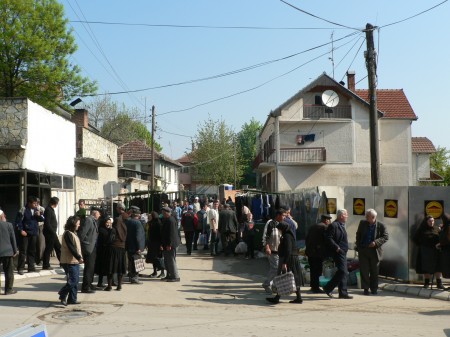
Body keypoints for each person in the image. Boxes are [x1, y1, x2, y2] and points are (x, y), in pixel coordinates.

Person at [266, 222, 303, 304]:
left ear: (282, 229)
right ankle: (298, 297)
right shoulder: (288, 235)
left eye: (279, 229)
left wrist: (285, 263)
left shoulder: (287, 236)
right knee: (291, 278)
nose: (279, 231)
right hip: (291, 258)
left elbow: (288, 250)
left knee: (284, 278)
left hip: (289, 259)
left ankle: (277, 298)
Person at [355, 208, 389, 295]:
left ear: (373, 217)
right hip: (364, 250)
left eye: (368, 216)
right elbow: (358, 235)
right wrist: (359, 246)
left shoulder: (381, 225)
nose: (366, 218)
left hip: (375, 251)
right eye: (366, 216)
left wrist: (376, 242)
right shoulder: (362, 223)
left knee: (374, 271)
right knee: (364, 270)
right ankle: (366, 288)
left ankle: (374, 288)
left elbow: (385, 237)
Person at [322, 209, 352, 299]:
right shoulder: (334, 225)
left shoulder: (341, 225)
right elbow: (328, 238)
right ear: (341, 216)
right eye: (346, 215)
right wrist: (337, 247)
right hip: (338, 252)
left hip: (343, 252)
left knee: (343, 272)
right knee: (343, 271)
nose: (347, 216)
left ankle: (343, 292)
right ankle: (328, 287)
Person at [412, 215, 444, 289]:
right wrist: (422, 245)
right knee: (426, 267)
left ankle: (439, 283)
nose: (431, 222)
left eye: (433, 221)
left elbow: (442, 238)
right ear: (426, 222)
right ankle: (426, 283)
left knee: (438, 267)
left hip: (436, 251)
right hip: (425, 252)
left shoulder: (436, 229)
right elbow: (415, 239)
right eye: (430, 221)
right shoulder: (421, 230)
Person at [58, 216, 83, 306]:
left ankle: (72, 299)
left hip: (74, 261)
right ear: (73, 223)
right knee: (74, 280)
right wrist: (79, 257)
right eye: (78, 223)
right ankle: (62, 293)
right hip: (69, 261)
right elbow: (71, 247)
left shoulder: (74, 233)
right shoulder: (68, 233)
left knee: (75, 281)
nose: (79, 225)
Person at [15, 196, 44, 274]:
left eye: (36, 203)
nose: (35, 205)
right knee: (23, 251)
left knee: (32, 250)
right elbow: (18, 221)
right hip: (25, 233)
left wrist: (39, 215)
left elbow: (42, 219)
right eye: (34, 203)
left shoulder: (36, 210)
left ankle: (31, 267)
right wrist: (21, 230)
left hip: (33, 233)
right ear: (29, 203)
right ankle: (20, 267)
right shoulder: (23, 210)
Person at [305, 214, 332, 293]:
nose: (328, 222)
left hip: (310, 252)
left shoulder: (313, 226)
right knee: (317, 270)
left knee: (313, 270)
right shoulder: (324, 227)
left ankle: (313, 286)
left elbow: (307, 239)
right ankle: (315, 287)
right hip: (318, 253)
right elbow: (327, 240)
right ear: (326, 220)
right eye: (328, 220)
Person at [261, 208, 285, 294]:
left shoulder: (282, 224)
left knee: (278, 269)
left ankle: (274, 286)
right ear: (278, 215)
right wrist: (267, 247)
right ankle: (267, 284)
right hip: (271, 250)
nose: (284, 217)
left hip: (280, 250)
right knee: (275, 268)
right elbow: (265, 236)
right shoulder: (270, 223)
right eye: (283, 215)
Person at [78, 207, 100, 293]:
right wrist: (82, 246)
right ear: (95, 213)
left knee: (92, 267)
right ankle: (85, 287)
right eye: (98, 213)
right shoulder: (88, 220)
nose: (99, 215)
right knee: (88, 268)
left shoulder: (93, 221)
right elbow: (82, 234)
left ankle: (90, 284)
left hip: (92, 247)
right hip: (88, 247)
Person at [125, 206, 146, 284]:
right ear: (138, 215)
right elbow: (139, 236)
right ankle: (134, 278)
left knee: (131, 262)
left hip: (129, 245)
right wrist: (139, 247)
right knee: (136, 262)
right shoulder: (138, 223)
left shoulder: (128, 221)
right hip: (135, 247)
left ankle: (131, 276)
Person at [109, 202, 128, 291]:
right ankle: (119, 285)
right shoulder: (126, 219)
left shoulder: (118, 220)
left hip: (115, 246)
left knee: (112, 266)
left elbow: (113, 234)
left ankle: (109, 285)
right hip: (123, 246)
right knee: (120, 266)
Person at [0, 209, 19, 295]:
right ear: (1, 216)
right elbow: (13, 239)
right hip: (7, 252)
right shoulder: (9, 225)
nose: (5, 217)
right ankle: (8, 290)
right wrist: (15, 250)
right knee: (9, 271)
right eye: (4, 215)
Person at [161, 206, 181, 282]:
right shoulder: (167, 219)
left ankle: (175, 276)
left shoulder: (171, 220)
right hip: (166, 244)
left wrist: (169, 244)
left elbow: (172, 234)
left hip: (170, 245)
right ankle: (169, 275)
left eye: (163, 212)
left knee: (171, 260)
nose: (162, 214)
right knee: (167, 260)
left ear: (167, 212)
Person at [95, 216, 115, 290]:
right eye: (107, 222)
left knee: (106, 267)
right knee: (102, 267)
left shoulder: (109, 229)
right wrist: (110, 230)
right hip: (102, 251)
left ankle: (107, 282)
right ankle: (100, 282)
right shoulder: (102, 230)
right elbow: (107, 239)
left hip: (107, 251)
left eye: (109, 223)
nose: (108, 224)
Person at [42, 197, 61, 270]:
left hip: (53, 233)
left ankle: (62, 263)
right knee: (49, 248)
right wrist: (52, 231)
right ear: (55, 203)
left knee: (58, 247)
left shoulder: (51, 210)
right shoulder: (48, 210)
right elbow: (47, 223)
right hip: (50, 233)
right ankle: (46, 264)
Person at [146, 211, 165, 278]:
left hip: (157, 243)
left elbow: (161, 235)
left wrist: (161, 244)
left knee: (159, 258)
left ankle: (162, 272)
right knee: (153, 258)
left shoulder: (158, 223)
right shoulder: (151, 223)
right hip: (152, 243)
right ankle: (155, 272)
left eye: (151, 215)